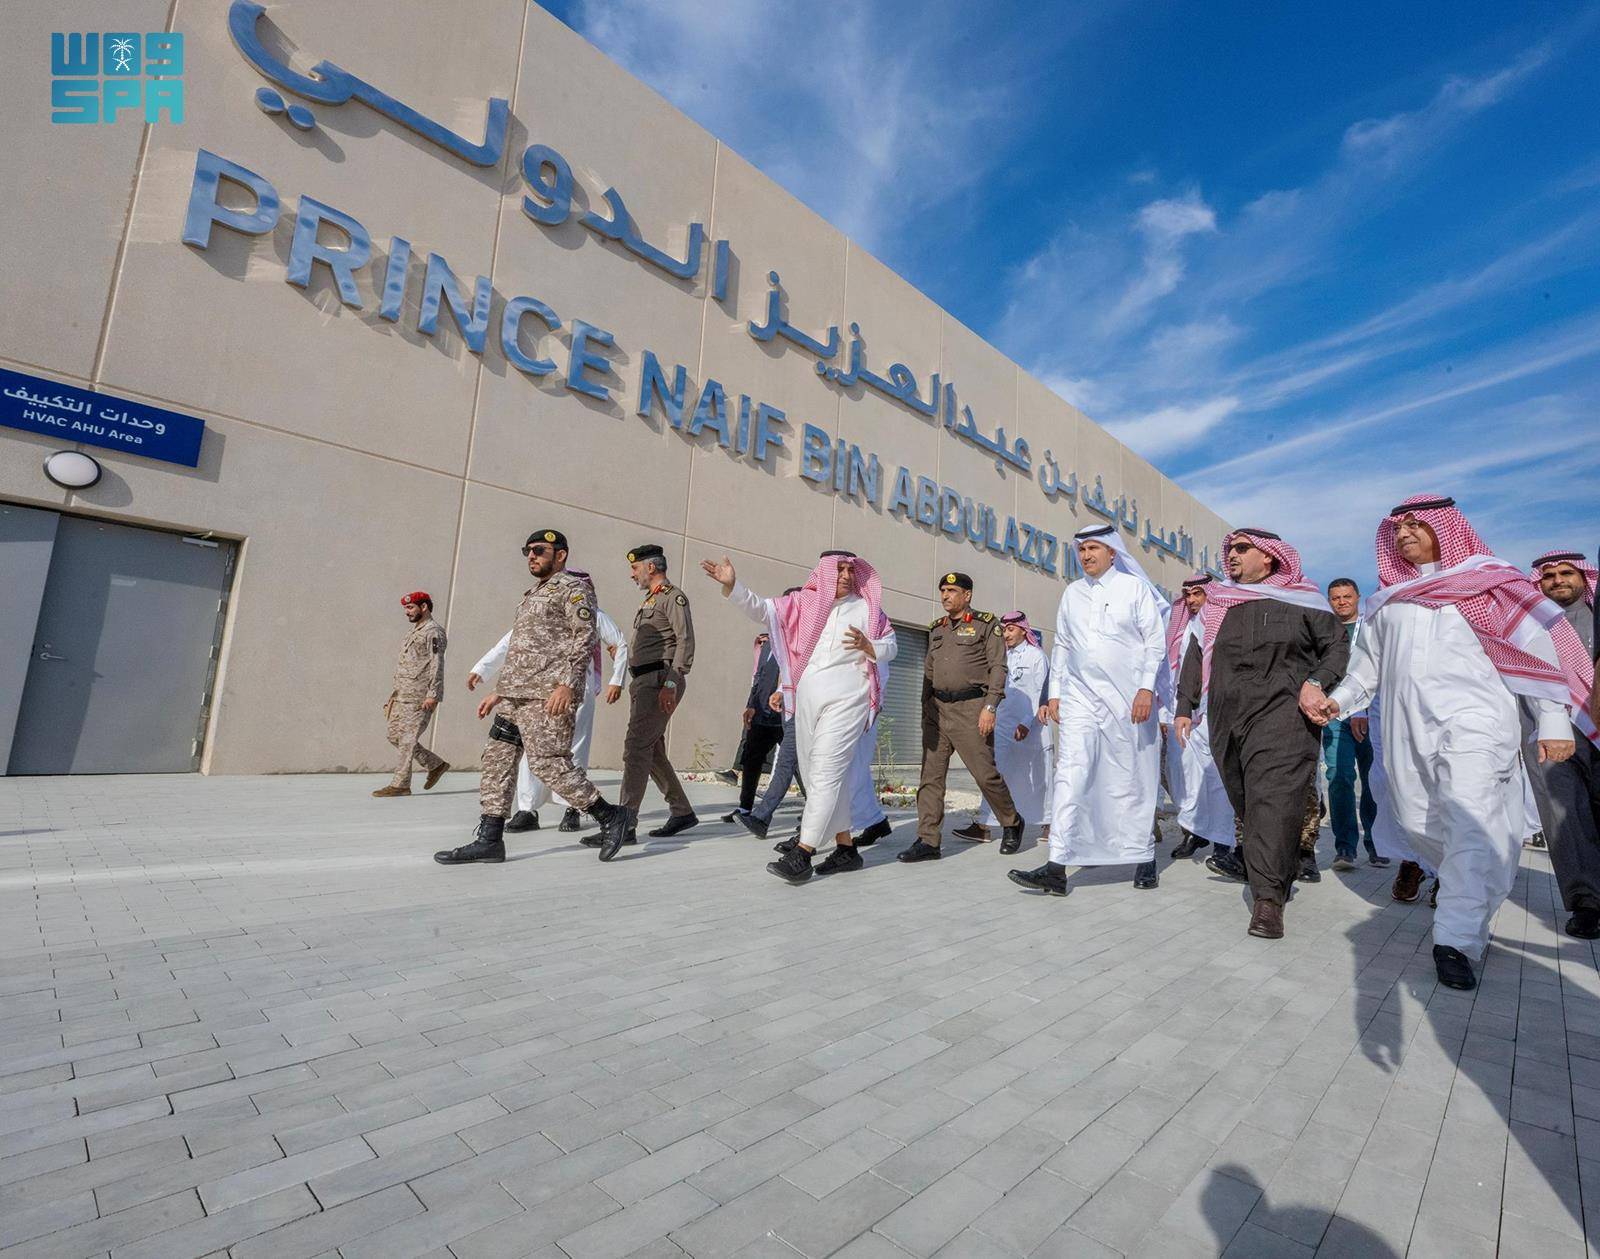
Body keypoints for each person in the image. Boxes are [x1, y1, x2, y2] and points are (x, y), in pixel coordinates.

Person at [1316, 496, 1591, 990]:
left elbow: (1537, 655)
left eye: (1416, 525)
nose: (1404, 534)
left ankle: (1455, 940)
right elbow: (1366, 670)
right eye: (1397, 529)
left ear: (1446, 528)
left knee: (1469, 819)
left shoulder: (1491, 585)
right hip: (1407, 732)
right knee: (1419, 820)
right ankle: (1473, 894)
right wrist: (1338, 702)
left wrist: (1553, 718)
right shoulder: (1389, 602)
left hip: (1477, 725)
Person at [1173, 528, 1347, 940]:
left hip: (1284, 716)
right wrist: (1184, 707)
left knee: (1273, 799)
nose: (1231, 555)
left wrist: (1317, 682)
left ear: (1269, 557)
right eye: (1230, 549)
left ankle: (1268, 900)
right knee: (1249, 801)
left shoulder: (1303, 600)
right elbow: (1196, 657)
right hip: (1228, 718)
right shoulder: (1218, 603)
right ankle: (1273, 867)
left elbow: (1337, 648)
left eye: (1242, 549)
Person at [703, 550, 898, 883]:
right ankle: (846, 849)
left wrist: (871, 647)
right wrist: (734, 586)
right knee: (818, 773)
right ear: (824, 573)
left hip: (848, 697)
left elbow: (891, 646)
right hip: (807, 698)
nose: (846, 576)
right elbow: (762, 609)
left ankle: (803, 852)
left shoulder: (867, 608)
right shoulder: (804, 603)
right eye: (839, 570)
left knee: (825, 770)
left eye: (850, 570)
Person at [434, 531, 627, 864]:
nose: (531, 556)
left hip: (547, 696)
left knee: (548, 764)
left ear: (561, 555)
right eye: (528, 551)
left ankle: (611, 816)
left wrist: (567, 684)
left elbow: (583, 638)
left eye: (539, 550)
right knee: (497, 762)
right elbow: (521, 649)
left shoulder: (574, 590)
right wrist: (500, 691)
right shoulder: (532, 594)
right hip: (515, 697)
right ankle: (489, 839)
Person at [1009, 525, 1166, 896]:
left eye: (1093, 548)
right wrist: (1055, 693)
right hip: (1080, 699)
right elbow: (1063, 645)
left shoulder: (1134, 589)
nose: (1086, 556)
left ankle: (1143, 856)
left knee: (1131, 778)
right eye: (1081, 550)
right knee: (1071, 773)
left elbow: (1154, 643)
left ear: (1112, 552)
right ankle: (1057, 867)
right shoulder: (1073, 593)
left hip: (1128, 702)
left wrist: (1146, 688)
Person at [468, 573, 627, 832]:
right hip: (533, 692)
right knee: (523, 753)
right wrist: (485, 671)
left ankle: (574, 808)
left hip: (573, 689)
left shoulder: (592, 612)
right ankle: (525, 809)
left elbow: (618, 642)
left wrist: (616, 680)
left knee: (570, 750)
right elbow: (513, 643)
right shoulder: (540, 609)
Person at [898, 573, 1024, 863]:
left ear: (967, 595)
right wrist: (925, 710)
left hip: (971, 709)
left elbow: (998, 667)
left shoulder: (985, 624)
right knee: (930, 778)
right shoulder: (937, 629)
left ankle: (1012, 821)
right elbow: (929, 672)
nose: (945, 595)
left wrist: (990, 707)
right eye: (943, 590)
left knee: (985, 774)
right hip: (937, 711)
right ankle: (928, 840)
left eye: (952, 590)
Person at [1522, 549, 1600, 938]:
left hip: (1595, 724)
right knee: (1564, 818)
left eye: (1566, 573)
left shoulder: (1596, 617)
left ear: (1584, 577)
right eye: (1549, 576)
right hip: (1550, 732)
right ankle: (1586, 903)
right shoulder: (1528, 625)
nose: (1558, 581)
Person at [605, 543, 698, 857]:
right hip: (645, 681)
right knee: (652, 750)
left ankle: (625, 822)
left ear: (651, 567)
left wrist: (671, 681)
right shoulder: (652, 599)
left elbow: (684, 641)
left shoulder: (673, 596)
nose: (632, 574)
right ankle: (682, 811)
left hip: (660, 681)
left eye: (635, 568)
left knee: (635, 748)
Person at [958, 612, 1052, 845]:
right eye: (1004, 630)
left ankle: (1050, 825)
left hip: (1032, 728)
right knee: (994, 774)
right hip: (1002, 726)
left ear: (1023, 630)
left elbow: (1040, 692)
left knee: (1040, 778)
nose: (1006, 634)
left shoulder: (1037, 656)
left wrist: (1026, 722)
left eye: (1011, 629)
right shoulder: (1001, 657)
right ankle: (984, 826)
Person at [1166, 576, 1237, 862]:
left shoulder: (1219, 621)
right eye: (1188, 595)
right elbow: (1180, 669)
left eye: (1198, 594)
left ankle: (1222, 839)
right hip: (1185, 710)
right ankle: (1195, 830)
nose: (1192, 600)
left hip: (1215, 707)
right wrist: (1180, 709)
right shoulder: (1183, 625)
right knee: (1184, 773)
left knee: (1217, 775)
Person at [1321, 579, 1380, 871]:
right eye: (1336, 598)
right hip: (1335, 715)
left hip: (1370, 713)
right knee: (1339, 776)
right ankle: (1345, 846)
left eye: (1347, 596)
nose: (1342, 602)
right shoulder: (1324, 631)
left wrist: (1364, 710)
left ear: (1358, 597)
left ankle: (1376, 841)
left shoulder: (1371, 629)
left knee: (1373, 779)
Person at [374, 591, 450, 797]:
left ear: (424, 607)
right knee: (394, 736)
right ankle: (435, 764)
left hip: (420, 696)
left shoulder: (433, 632)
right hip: (402, 695)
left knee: (407, 740)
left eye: (410, 607)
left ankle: (400, 784)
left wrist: (433, 694)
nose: (407, 612)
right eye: (405, 608)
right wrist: (394, 695)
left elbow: (437, 664)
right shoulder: (414, 631)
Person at [726, 633, 785, 819]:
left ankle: (812, 810)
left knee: (796, 764)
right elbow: (758, 676)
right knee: (751, 759)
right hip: (761, 713)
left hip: (785, 715)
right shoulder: (766, 646)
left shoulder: (791, 643)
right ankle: (745, 808)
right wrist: (751, 704)